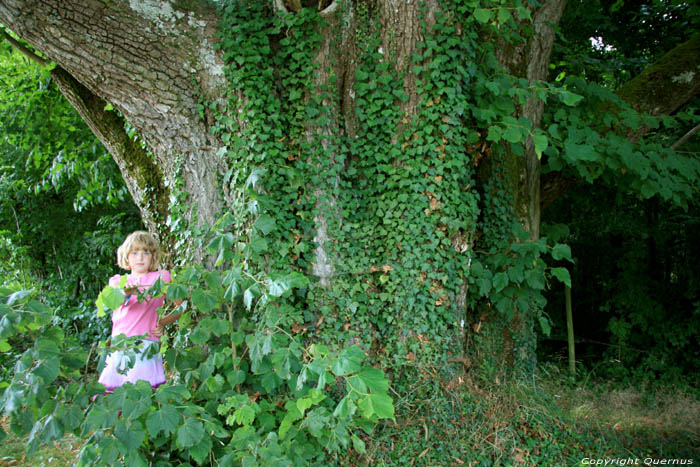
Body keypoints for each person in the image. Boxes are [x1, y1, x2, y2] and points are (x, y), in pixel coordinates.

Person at [97, 231, 179, 391]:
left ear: (153, 256)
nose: (140, 257)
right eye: (134, 253)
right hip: (120, 345)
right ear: (126, 257)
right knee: (116, 396)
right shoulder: (118, 282)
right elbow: (111, 304)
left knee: (144, 395)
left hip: (146, 344)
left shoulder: (161, 278)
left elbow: (181, 307)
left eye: (145, 253)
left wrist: (162, 323)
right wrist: (125, 292)